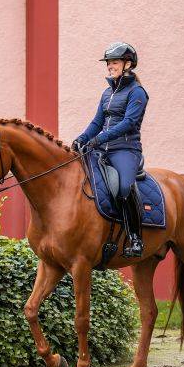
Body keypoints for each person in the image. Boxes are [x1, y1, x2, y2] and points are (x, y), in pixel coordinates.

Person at [72, 41, 149, 258]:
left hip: (125, 149)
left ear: (127, 64)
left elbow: (129, 123)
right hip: (101, 149)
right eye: (108, 63)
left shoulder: (137, 92)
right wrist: (82, 138)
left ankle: (135, 237)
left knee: (123, 187)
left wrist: (100, 139)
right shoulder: (107, 93)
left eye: (114, 62)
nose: (110, 66)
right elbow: (96, 122)